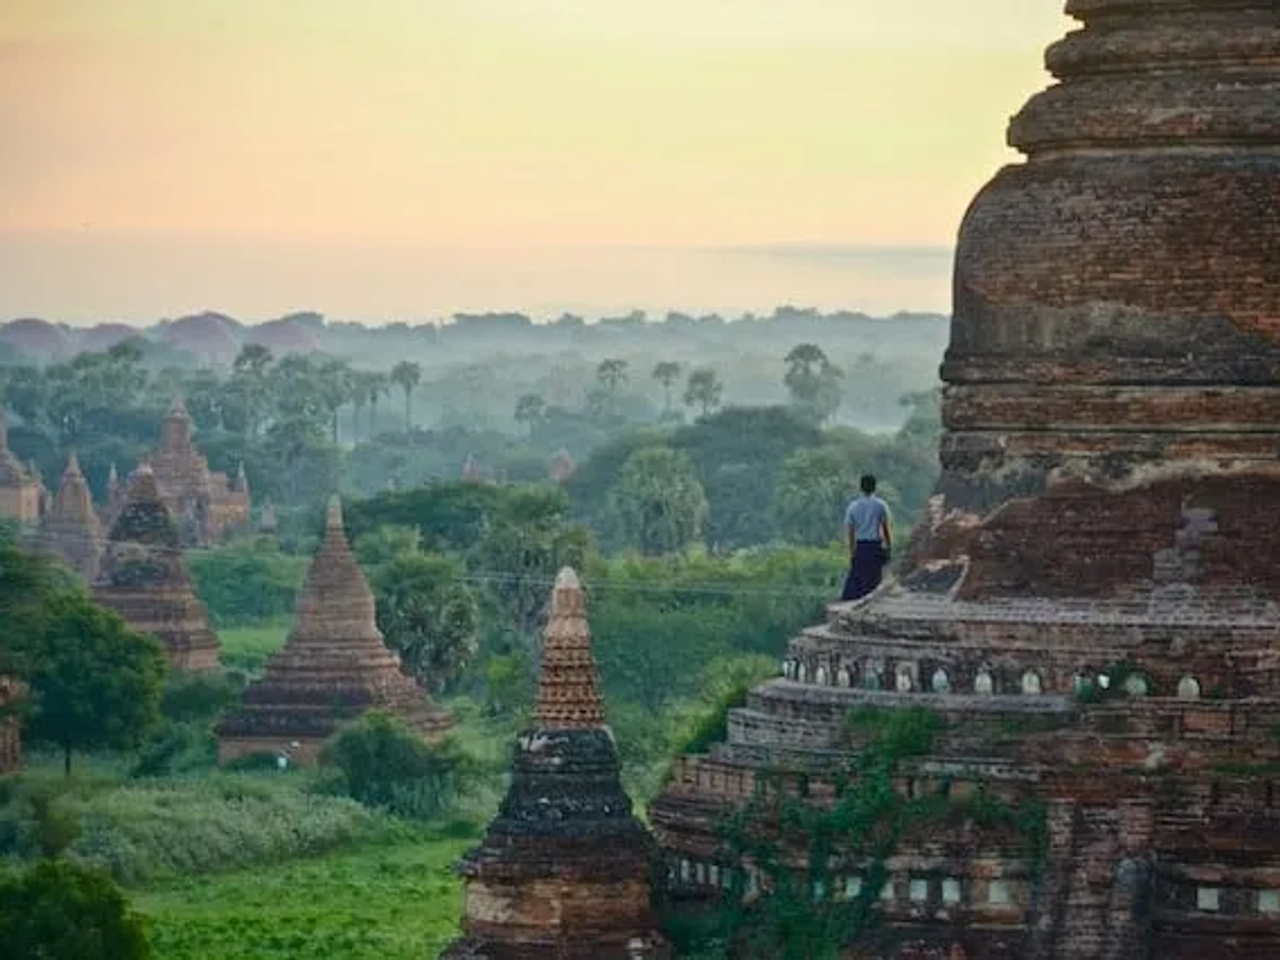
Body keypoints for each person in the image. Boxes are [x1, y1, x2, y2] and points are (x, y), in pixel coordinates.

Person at [840, 474, 892, 601]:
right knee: (873, 579)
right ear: (874, 487)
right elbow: (885, 528)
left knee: (857, 579)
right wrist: (889, 547)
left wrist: (852, 552)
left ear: (861, 488)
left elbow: (851, 532)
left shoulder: (853, 506)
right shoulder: (880, 505)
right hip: (875, 546)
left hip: (861, 546)